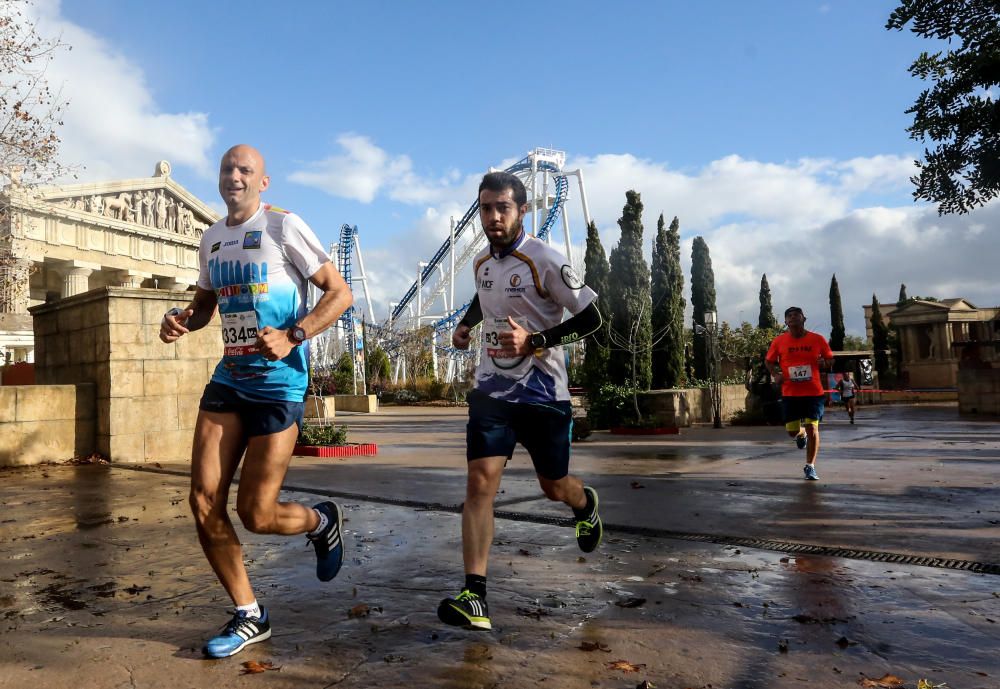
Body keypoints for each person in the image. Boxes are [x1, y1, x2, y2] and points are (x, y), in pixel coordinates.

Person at [159, 144, 353, 658]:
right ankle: (250, 614)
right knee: (202, 500)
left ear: (262, 182)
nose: (235, 176)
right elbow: (204, 308)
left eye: (246, 170)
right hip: (230, 381)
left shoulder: (283, 227)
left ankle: (321, 521)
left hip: (279, 385)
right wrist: (180, 319)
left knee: (257, 513)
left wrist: (295, 333)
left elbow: (340, 292)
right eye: (228, 168)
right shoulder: (211, 239)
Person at [437, 171, 604, 631]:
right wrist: (467, 324)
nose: (492, 217)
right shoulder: (481, 264)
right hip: (492, 391)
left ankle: (583, 503)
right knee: (479, 485)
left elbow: (591, 316)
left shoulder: (544, 259)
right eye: (485, 208)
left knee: (554, 485)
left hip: (543, 395)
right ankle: (476, 595)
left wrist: (537, 340)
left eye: (502, 208)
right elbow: (483, 295)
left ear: (522, 210)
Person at [765, 306, 834, 481]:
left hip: (813, 393)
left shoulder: (817, 339)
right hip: (790, 393)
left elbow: (830, 359)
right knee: (792, 431)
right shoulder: (779, 341)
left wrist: (824, 363)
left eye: (797, 315)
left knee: (813, 428)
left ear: (804, 319)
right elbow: (769, 361)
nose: (793, 317)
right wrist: (776, 374)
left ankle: (810, 466)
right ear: (786, 322)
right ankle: (800, 433)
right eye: (789, 316)